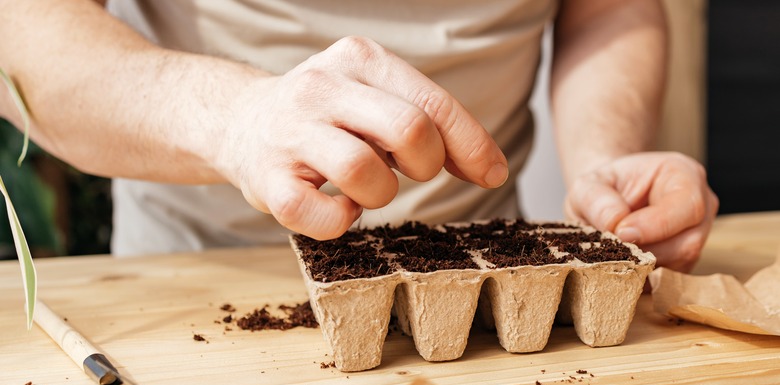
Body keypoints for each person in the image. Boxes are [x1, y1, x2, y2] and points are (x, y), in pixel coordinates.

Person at [0, 0, 717, 272]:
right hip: (199, 274)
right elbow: (24, 33)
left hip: (478, 278)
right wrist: (235, 116)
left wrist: (605, 159)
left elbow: (608, 9)